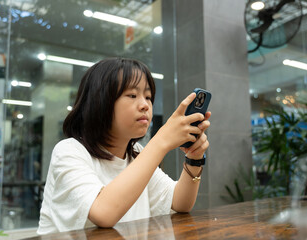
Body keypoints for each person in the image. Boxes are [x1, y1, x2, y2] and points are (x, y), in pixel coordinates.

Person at [37, 58, 211, 234]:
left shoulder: (136, 154)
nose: (145, 105)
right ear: (100, 101)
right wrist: (161, 141)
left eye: (148, 96)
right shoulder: (69, 151)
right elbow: (103, 213)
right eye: (132, 95)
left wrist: (194, 159)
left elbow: (179, 202)